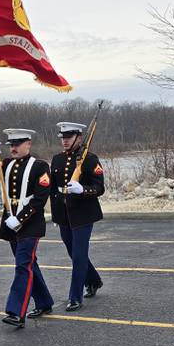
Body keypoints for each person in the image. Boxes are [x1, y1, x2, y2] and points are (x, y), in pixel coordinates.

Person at [0, 129, 54, 328]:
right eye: (11, 144)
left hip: (29, 223)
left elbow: (40, 199)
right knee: (29, 263)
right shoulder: (6, 164)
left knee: (23, 265)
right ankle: (44, 302)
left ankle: (16, 311)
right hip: (11, 223)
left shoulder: (40, 167)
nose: (13, 148)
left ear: (28, 144)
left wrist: (20, 218)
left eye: (18, 144)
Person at [49, 121, 105, 311]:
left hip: (83, 214)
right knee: (73, 253)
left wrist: (83, 189)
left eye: (69, 138)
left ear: (79, 138)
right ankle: (94, 280)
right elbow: (53, 189)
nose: (65, 141)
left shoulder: (90, 159)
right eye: (63, 138)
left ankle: (75, 297)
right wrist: (55, 214)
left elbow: (99, 188)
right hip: (64, 214)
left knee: (79, 255)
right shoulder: (57, 159)